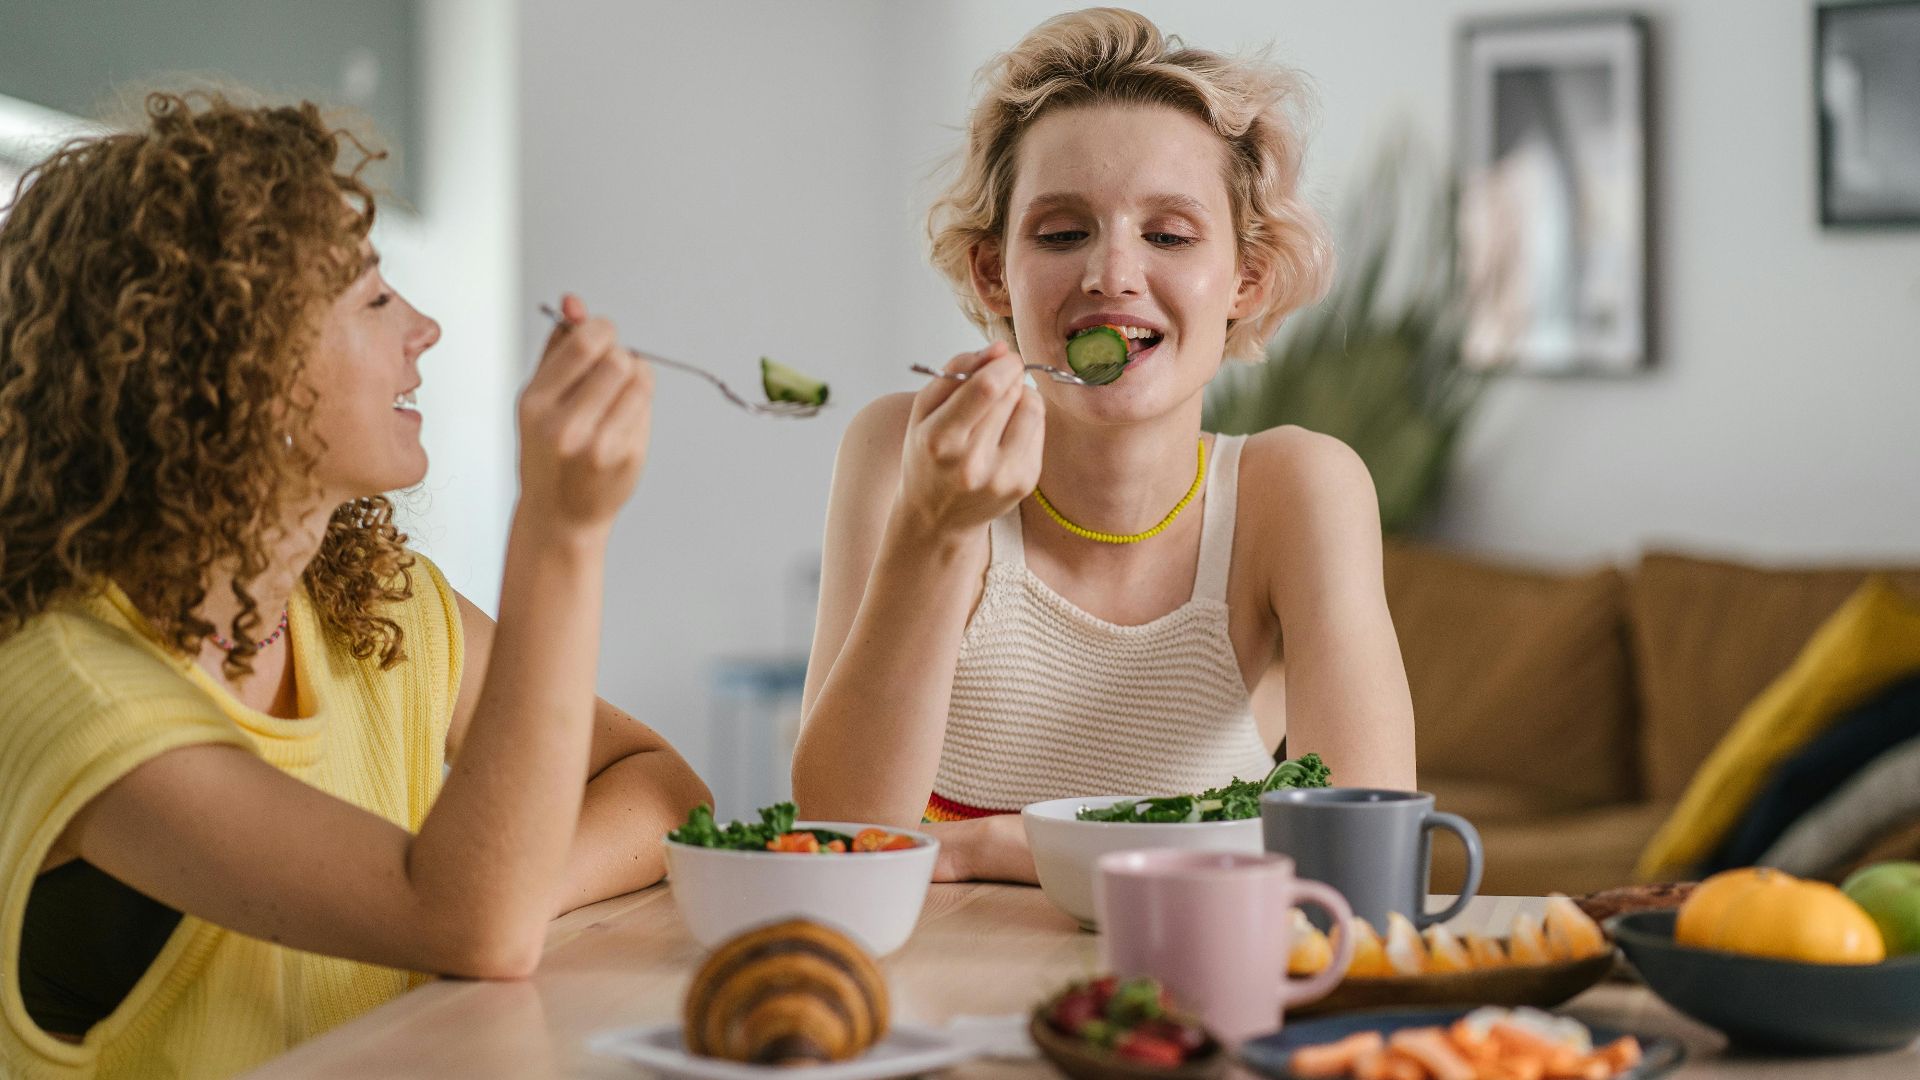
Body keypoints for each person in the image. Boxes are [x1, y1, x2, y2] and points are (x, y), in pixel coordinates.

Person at [0, 92, 709, 1077]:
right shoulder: (64, 687)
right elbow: (468, 924)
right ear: (230, 365)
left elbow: (665, 790)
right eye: (374, 300)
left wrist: (517, 878)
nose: (424, 329)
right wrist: (561, 529)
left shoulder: (379, 604)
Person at [791, 8, 1416, 883]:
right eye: (1060, 233)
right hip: (931, 981)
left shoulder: (1298, 491)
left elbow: (1365, 851)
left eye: (1168, 235)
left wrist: (998, 846)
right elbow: (838, 834)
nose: (1112, 274)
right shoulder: (903, 450)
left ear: (1247, 277)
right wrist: (933, 529)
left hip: (1191, 981)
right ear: (991, 272)